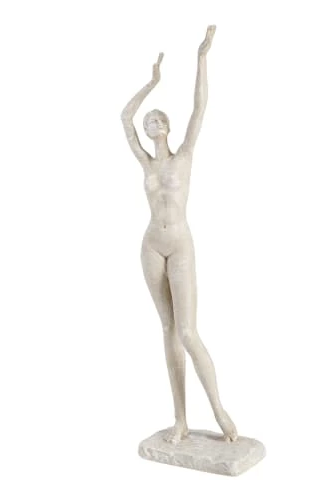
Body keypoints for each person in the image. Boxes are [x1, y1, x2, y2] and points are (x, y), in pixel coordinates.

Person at [121, 26, 237, 443]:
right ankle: (181, 419)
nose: (151, 122)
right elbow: (124, 118)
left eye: (157, 119)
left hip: (180, 244)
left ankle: (219, 409)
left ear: (166, 126)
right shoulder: (146, 163)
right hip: (151, 245)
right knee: (168, 330)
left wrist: (202, 58)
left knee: (188, 332)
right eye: (148, 121)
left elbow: (200, 107)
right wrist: (151, 83)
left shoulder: (184, 155)